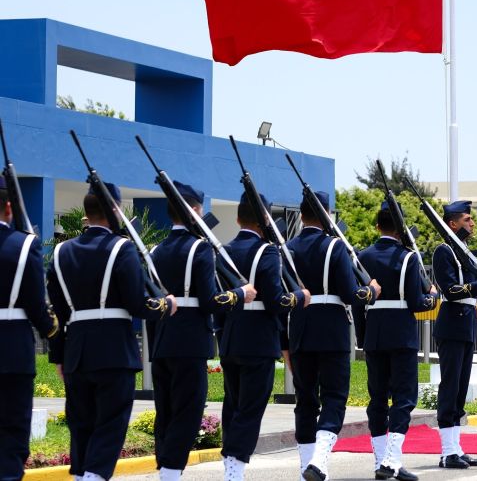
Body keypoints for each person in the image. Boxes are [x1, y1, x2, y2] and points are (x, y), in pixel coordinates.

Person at [47, 183, 177, 481]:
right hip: (113, 350)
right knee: (111, 423)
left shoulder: (61, 251)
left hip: (76, 349)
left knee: (81, 424)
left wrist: (59, 356)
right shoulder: (122, 248)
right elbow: (136, 303)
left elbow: (57, 312)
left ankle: (81, 476)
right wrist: (165, 305)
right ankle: (93, 477)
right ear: (115, 211)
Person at [149, 182, 256, 481]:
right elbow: (210, 301)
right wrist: (239, 294)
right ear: (195, 210)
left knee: (166, 412)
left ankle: (166, 470)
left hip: (162, 342)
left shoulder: (156, 250)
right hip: (190, 343)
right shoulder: (200, 248)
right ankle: (170, 475)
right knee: (187, 412)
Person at [286, 191, 380, 481]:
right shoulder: (335, 246)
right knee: (334, 397)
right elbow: (351, 294)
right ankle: (319, 461)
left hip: (299, 328)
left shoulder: (287, 248)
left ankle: (306, 466)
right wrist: (371, 292)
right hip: (331, 330)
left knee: (305, 399)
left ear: (302, 215)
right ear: (327, 214)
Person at [218, 192, 310, 481]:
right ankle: (234, 471)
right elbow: (275, 301)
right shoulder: (268, 252)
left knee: (233, 405)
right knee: (251, 408)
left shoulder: (223, 250)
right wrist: (299, 297)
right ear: (265, 220)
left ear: (238, 218)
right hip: (258, 340)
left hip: (230, 337)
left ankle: (230, 465)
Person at [359, 203, 437, 481]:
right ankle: (391, 460)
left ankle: (383, 461)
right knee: (404, 398)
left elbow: (359, 302)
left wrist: (363, 336)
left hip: (374, 333)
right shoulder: (408, 257)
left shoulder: (362, 256)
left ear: (377, 226)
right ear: (401, 228)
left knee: (377, 398)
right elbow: (416, 302)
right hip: (402, 333)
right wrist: (433, 297)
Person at [432, 200, 477, 468]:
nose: (472, 223)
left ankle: (456, 449)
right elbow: (449, 290)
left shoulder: (464, 252)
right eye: (467, 219)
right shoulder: (444, 251)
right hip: (452, 324)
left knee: (460, 390)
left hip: (466, 324)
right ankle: (447, 452)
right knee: (450, 388)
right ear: (453, 224)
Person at [0, 174, 59, 481]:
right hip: (12, 350)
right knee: (12, 430)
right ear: (9, 208)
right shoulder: (24, 246)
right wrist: (53, 331)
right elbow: (37, 304)